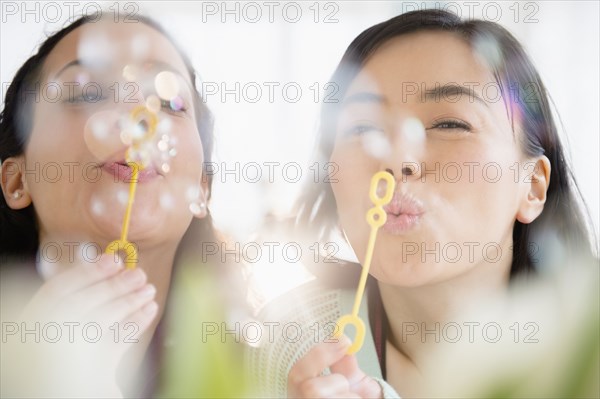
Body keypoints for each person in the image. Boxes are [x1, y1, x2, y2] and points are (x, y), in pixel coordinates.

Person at [247, 9, 597, 398]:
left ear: (532, 186)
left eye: (450, 124)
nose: (398, 161)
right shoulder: (291, 338)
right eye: (362, 127)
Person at [0, 11, 235, 398]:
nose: (137, 116)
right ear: (16, 180)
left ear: (203, 188)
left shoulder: (274, 372)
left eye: (169, 102)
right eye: (87, 93)